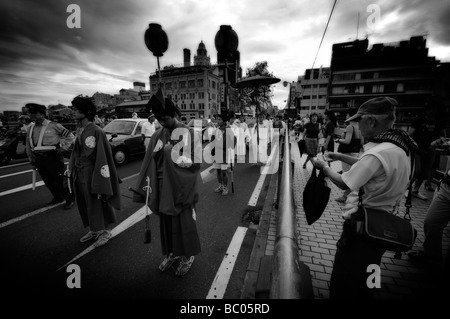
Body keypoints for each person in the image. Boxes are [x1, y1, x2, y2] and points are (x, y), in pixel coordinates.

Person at [311, 97, 417, 299]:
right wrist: (341, 157)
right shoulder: (399, 148)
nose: (357, 126)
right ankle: (369, 293)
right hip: (382, 226)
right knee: (372, 269)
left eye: (359, 121)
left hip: (362, 225)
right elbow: (368, 166)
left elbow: (344, 182)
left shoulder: (377, 153)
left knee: (344, 279)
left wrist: (324, 167)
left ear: (371, 121)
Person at [132, 90, 201, 276]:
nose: (163, 123)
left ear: (175, 115)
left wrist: (173, 153)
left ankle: (187, 256)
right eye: (160, 120)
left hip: (180, 186)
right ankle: (172, 254)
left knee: (183, 223)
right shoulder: (157, 134)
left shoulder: (187, 132)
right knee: (166, 224)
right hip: (163, 186)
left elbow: (194, 162)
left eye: (166, 119)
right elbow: (149, 161)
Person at [69, 97, 121, 247]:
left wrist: (101, 178)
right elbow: (76, 152)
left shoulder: (97, 131)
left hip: (94, 172)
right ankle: (94, 228)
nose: (73, 112)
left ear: (87, 111)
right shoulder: (79, 129)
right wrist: (71, 167)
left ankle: (105, 231)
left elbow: (104, 157)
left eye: (76, 109)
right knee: (85, 202)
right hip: (80, 173)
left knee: (99, 201)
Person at [408, 138, 450, 265]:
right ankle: (432, 253)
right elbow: (439, 150)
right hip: (447, 187)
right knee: (432, 222)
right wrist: (438, 144)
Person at [25, 103, 75, 209]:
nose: (31, 115)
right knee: (47, 181)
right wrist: (31, 158)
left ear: (42, 114)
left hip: (53, 157)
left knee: (60, 180)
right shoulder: (31, 128)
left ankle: (70, 199)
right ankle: (57, 197)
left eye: (34, 113)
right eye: (30, 113)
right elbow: (29, 144)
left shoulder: (54, 125)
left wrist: (64, 148)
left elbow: (70, 136)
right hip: (39, 158)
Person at [408, 106, 446, 200]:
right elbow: (409, 134)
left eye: (433, 109)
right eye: (430, 109)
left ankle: (415, 190)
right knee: (416, 170)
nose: (431, 111)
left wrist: (439, 141)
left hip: (430, 150)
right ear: (426, 110)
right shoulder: (418, 121)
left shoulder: (439, 123)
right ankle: (407, 189)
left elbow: (444, 136)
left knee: (425, 172)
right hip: (417, 149)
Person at [335, 108, 363, 203]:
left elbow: (347, 141)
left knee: (347, 175)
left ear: (350, 116)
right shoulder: (360, 126)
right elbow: (362, 141)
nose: (346, 116)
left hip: (347, 154)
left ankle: (345, 196)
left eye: (347, 115)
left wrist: (338, 140)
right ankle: (350, 195)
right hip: (356, 153)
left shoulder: (350, 127)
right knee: (353, 174)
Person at [211, 112, 236, 196]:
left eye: (220, 119)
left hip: (224, 153)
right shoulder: (216, 130)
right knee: (218, 171)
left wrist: (231, 145)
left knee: (224, 172)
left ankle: (225, 187)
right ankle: (221, 185)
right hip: (217, 153)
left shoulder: (227, 129)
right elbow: (212, 140)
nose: (218, 121)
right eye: (218, 119)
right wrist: (212, 150)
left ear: (224, 121)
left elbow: (234, 139)